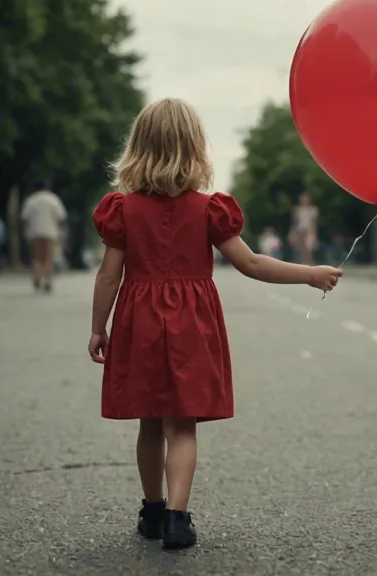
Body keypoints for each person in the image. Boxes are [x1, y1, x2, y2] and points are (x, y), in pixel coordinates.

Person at [88, 98, 342, 551]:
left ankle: (151, 509)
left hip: (139, 322)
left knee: (149, 422)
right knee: (181, 426)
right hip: (190, 325)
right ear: (194, 148)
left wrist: (98, 326)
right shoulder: (209, 210)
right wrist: (309, 274)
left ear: (138, 147)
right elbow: (251, 263)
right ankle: (177, 519)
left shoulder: (123, 210)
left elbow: (110, 274)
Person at [20, 180, 67, 293]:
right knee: (48, 257)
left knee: (37, 257)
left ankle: (37, 277)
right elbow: (60, 217)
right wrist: (59, 231)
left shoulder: (31, 200)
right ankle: (48, 281)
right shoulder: (53, 199)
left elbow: (25, 218)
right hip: (50, 232)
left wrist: (27, 230)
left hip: (35, 232)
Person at [289, 193, 319, 265]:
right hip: (300, 231)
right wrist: (292, 233)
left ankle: (308, 262)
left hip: (309, 231)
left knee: (309, 248)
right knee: (302, 249)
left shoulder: (313, 210)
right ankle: (303, 263)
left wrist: (314, 233)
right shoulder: (297, 209)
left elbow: (314, 223)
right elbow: (294, 223)